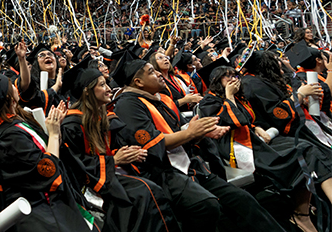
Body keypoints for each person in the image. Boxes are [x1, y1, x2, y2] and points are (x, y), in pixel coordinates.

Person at [113, 57, 289, 232]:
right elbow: (151, 144)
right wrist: (190, 133)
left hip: (191, 166)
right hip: (162, 172)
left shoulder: (162, 100)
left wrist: (200, 133)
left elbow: (182, 132)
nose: (159, 74)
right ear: (138, 82)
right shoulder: (128, 104)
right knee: (206, 206)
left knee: (243, 200)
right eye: (152, 71)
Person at [199, 65, 332, 232]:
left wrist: (255, 127)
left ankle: (302, 212)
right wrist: (229, 96)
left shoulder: (239, 97)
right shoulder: (208, 101)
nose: (233, 79)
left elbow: (247, 120)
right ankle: (301, 214)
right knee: (301, 152)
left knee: (307, 147)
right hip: (237, 148)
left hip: (255, 141)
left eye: (234, 75)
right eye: (227, 76)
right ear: (216, 81)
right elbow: (233, 122)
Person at [59, 62, 179, 232]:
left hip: (110, 172)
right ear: (87, 90)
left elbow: (110, 148)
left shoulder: (105, 117)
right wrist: (113, 159)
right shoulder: (72, 125)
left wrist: (127, 153)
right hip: (90, 183)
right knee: (144, 192)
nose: (109, 89)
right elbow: (75, 165)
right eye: (102, 85)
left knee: (153, 186)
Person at [0, 65, 94, 232]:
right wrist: (53, 134)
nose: (15, 86)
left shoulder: (11, 122)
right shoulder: (9, 136)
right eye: (12, 85)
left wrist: (54, 126)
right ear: (9, 97)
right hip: (39, 211)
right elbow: (47, 169)